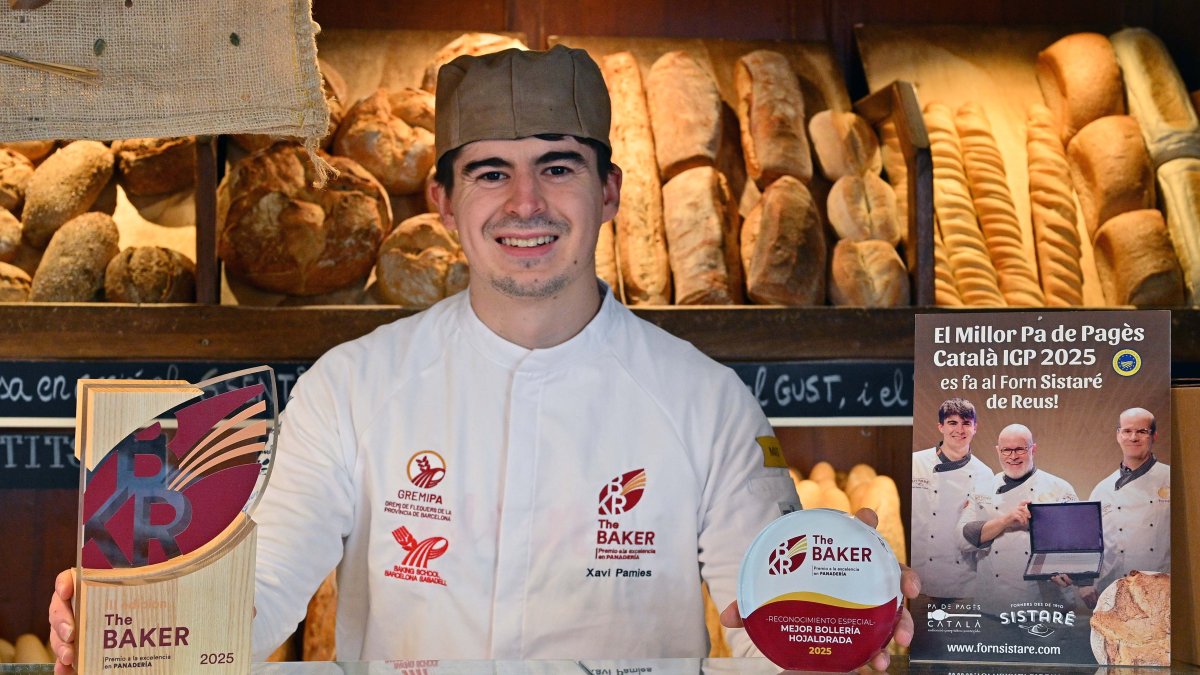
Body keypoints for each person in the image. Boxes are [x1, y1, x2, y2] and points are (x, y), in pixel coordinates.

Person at [47, 46, 917, 673]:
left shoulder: (707, 404)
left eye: (558, 168)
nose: (526, 203)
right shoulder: (353, 388)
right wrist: (133, 613)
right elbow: (257, 591)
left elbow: (764, 621)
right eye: (492, 172)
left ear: (609, 192)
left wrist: (847, 625)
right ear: (444, 200)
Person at [957, 423, 1077, 612]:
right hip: (993, 605)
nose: (1013, 457)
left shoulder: (1059, 488)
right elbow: (963, 540)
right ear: (998, 451)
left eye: (1020, 449)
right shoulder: (981, 488)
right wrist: (1006, 521)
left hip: (1046, 605)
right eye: (1006, 450)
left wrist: (1064, 566)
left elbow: (1077, 542)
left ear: (1033, 449)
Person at [1063, 407, 1170, 608]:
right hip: (1112, 592)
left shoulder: (1172, 479)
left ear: (1154, 436)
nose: (1133, 437)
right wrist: (1084, 583)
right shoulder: (1102, 489)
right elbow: (1088, 542)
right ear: (1118, 435)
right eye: (1127, 431)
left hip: (1161, 593)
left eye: (1142, 431)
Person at [911, 398, 993, 602]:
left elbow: (983, 530)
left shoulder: (984, 474)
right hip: (916, 577)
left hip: (961, 580)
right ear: (941, 426)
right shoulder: (915, 463)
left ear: (975, 428)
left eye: (966, 423)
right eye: (952, 423)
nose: (960, 430)